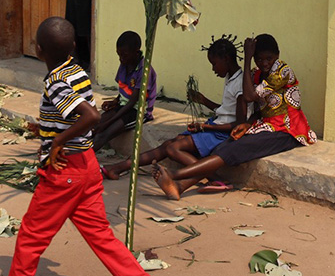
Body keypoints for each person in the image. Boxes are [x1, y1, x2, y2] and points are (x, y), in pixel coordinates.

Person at [6, 17, 150, 276]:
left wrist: (58, 142)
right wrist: (47, 132)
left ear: (38, 49)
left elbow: (90, 116)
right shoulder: (77, 71)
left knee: (31, 236)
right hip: (87, 166)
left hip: (65, 172)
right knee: (102, 237)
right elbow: (72, 117)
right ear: (72, 47)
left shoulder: (55, 81)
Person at [152, 33, 315, 200]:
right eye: (258, 59)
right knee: (224, 146)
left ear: (278, 55)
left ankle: (175, 175)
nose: (264, 63)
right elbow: (256, 106)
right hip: (264, 124)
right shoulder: (256, 74)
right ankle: (180, 186)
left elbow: (250, 96)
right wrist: (247, 124)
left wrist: (246, 59)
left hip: (286, 129)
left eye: (269, 58)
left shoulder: (282, 71)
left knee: (234, 149)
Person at [103, 36, 248, 181]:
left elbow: (238, 124)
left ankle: (216, 179)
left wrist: (202, 126)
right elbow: (227, 110)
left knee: (172, 149)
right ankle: (120, 167)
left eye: (214, 64)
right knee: (169, 144)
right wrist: (203, 101)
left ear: (226, 59)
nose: (213, 69)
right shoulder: (231, 77)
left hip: (220, 133)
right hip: (215, 125)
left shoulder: (240, 84)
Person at [90, 31, 157, 151]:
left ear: (136, 52)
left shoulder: (144, 71)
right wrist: (115, 101)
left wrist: (107, 123)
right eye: (118, 55)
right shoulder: (125, 63)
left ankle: (83, 163)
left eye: (124, 55)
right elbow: (125, 90)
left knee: (103, 134)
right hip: (124, 106)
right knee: (93, 125)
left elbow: (133, 102)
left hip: (137, 111)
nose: (121, 59)